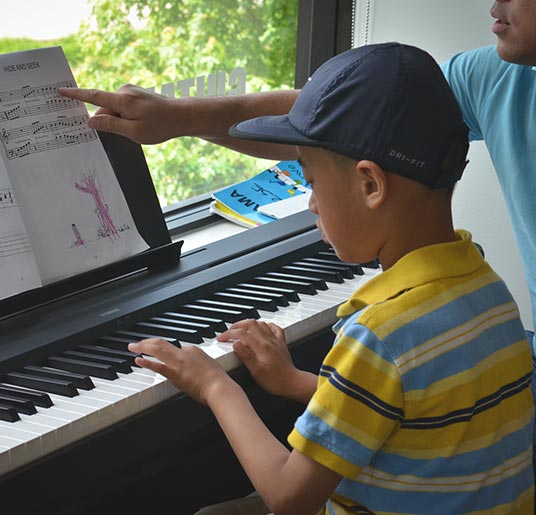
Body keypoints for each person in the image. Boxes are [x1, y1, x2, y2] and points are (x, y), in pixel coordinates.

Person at [126, 42, 534, 515]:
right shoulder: (488, 287)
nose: (311, 205)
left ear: (370, 185)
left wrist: (213, 386)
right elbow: (417, 409)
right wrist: (299, 383)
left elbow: (289, 497)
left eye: (312, 182)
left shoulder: (380, 335)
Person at [57, 0, 536, 342]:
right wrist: (178, 117)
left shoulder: (381, 332)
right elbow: (343, 120)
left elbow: (293, 482)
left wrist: (216, 388)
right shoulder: (501, 76)